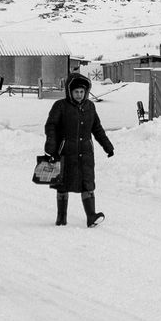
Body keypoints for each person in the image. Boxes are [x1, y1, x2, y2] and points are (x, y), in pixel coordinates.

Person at [44, 73, 114, 227]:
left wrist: (107, 146)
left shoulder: (90, 107)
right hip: (65, 152)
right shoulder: (60, 106)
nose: (79, 95)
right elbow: (51, 127)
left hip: (86, 153)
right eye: (76, 92)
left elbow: (97, 128)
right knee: (63, 184)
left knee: (87, 183)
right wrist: (51, 147)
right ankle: (61, 218)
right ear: (70, 91)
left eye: (82, 92)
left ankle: (91, 216)